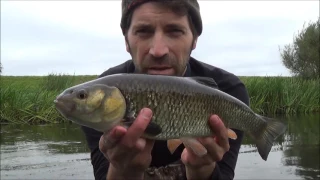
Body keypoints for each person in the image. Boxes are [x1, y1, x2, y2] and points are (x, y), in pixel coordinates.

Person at [81, 0, 250, 179]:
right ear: (127, 41)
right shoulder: (100, 96)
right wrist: (123, 171)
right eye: (143, 31)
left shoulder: (227, 91)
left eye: (174, 31)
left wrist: (201, 169)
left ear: (194, 39)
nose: (158, 50)